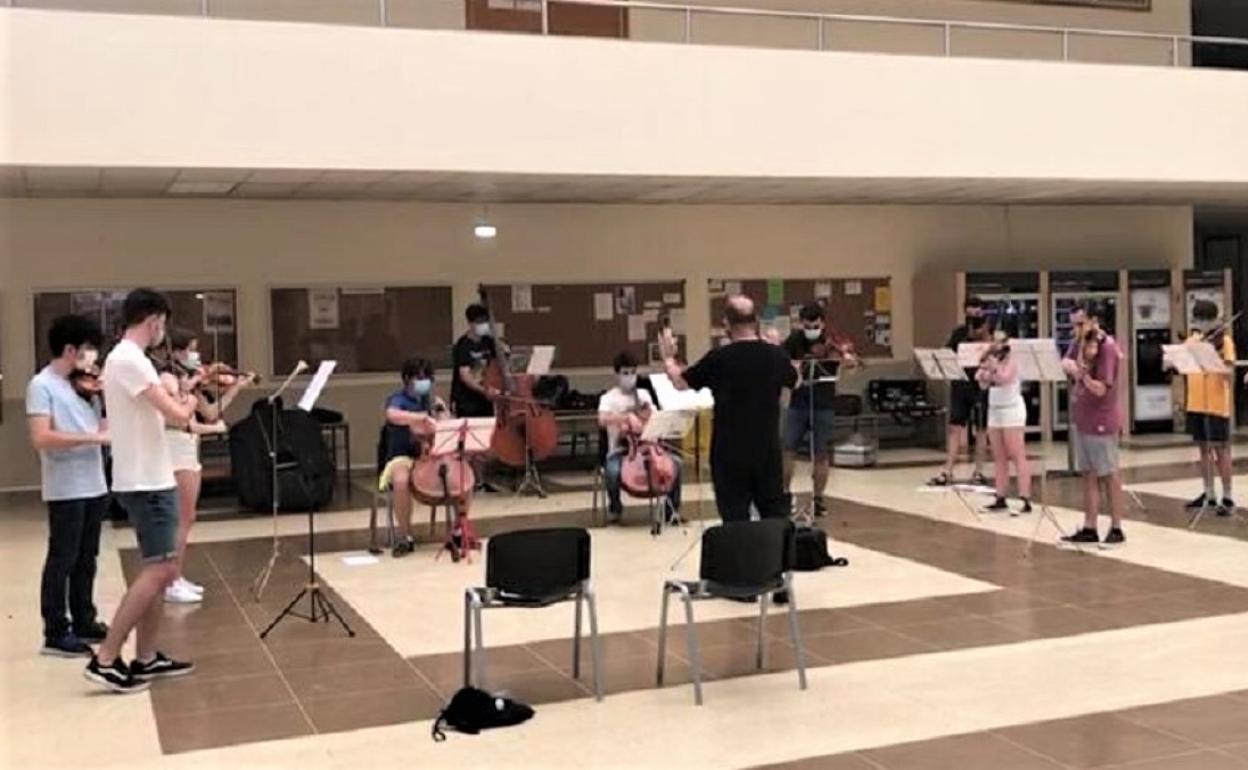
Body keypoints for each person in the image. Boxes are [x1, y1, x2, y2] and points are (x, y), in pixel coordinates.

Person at [84, 289, 197, 694]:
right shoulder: (130, 360)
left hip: (151, 475)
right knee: (161, 569)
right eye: (162, 325)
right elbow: (179, 416)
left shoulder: (128, 359)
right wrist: (188, 393)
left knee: (160, 568)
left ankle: (146, 656)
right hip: (145, 481)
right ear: (154, 321)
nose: (162, 332)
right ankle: (106, 657)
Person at [662, 295, 797, 524]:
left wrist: (668, 358)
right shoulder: (775, 355)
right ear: (756, 321)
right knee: (774, 518)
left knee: (734, 519)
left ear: (726, 323)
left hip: (729, 452)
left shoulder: (719, 358)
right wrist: (778, 349)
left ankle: (739, 547)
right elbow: (797, 380)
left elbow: (680, 382)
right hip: (766, 450)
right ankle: (774, 548)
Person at [27, 314, 111, 657]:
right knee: (63, 557)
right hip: (65, 486)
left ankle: (84, 619)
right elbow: (42, 437)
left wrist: (104, 399)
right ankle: (55, 630)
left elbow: (104, 428)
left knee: (87, 557)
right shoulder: (42, 385)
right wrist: (91, 438)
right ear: (70, 349)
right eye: (89, 349)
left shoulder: (85, 386)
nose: (93, 357)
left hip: (95, 482)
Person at [160, 329, 252, 603]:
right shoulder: (167, 379)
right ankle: (170, 581)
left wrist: (236, 387)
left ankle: (176, 575)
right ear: (177, 352)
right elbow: (181, 421)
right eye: (191, 350)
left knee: (187, 518)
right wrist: (212, 429)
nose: (196, 357)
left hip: (188, 449)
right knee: (181, 518)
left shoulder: (187, 382)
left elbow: (210, 413)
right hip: (175, 449)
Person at [781, 303, 856, 517]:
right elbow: (780, 361)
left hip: (824, 403)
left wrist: (848, 361)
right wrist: (791, 367)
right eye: (807, 326)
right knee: (788, 448)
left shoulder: (833, 340)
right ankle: (784, 494)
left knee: (821, 453)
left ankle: (818, 498)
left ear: (822, 323)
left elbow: (851, 363)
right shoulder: (794, 340)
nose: (811, 330)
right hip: (798, 403)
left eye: (815, 326)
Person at [1061, 321, 1126, 546]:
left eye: (1080, 323)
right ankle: (1090, 527)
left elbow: (1101, 389)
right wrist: (1070, 365)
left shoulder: (1106, 347)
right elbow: (1066, 361)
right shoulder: (1079, 342)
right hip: (1083, 417)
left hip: (1102, 419)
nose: (1077, 329)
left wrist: (1083, 375)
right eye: (1074, 324)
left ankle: (1116, 527)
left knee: (1108, 473)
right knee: (1088, 473)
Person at [598, 351, 682, 524]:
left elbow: (655, 417)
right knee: (612, 472)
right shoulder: (608, 398)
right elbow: (602, 419)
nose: (629, 377)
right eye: (625, 373)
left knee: (677, 464)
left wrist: (647, 413)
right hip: (620, 451)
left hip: (648, 446)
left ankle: (671, 510)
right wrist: (625, 417)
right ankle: (615, 508)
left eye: (632, 372)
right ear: (617, 374)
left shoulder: (643, 394)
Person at [380, 357, 448, 557]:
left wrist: (442, 412)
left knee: (461, 475)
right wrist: (421, 417)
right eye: (419, 378)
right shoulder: (397, 399)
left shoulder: (432, 400)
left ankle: (459, 531)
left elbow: (447, 425)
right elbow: (392, 414)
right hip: (403, 456)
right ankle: (405, 536)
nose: (424, 382)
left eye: (427, 378)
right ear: (407, 379)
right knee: (401, 482)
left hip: (430, 457)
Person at [929, 297, 991, 487]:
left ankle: (979, 471)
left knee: (981, 429)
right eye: (970, 313)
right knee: (955, 427)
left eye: (977, 313)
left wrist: (985, 338)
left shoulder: (989, 333)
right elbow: (947, 353)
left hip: (981, 386)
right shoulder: (959, 333)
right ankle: (947, 471)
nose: (973, 318)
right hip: (961, 385)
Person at [1182, 300, 1236, 515]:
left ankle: (1228, 496)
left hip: (1216, 403)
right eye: (1199, 320)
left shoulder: (1224, 341)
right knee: (1203, 449)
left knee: (1221, 450)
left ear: (1214, 320)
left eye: (1206, 320)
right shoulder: (1192, 341)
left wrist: (1215, 359)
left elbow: (1229, 373)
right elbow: (1185, 367)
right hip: (1196, 402)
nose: (1202, 324)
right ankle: (1209, 493)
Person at [975, 320, 1031, 514]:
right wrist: (986, 368)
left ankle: (1025, 497)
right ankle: (1000, 496)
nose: (997, 344)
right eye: (995, 339)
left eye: (1001, 340)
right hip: (995, 408)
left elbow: (1005, 378)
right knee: (998, 456)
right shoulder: (992, 356)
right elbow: (981, 380)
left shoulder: (1014, 358)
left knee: (1016, 453)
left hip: (1011, 409)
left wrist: (993, 369)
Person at [450, 303, 499, 492]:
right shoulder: (463, 346)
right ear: (471, 323)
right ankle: (468, 481)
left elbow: (500, 361)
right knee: (468, 443)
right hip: (466, 400)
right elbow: (465, 376)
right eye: (480, 321)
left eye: (485, 321)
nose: (483, 325)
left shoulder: (488, 343)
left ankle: (481, 480)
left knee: (483, 443)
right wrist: (483, 389)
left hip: (484, 400)